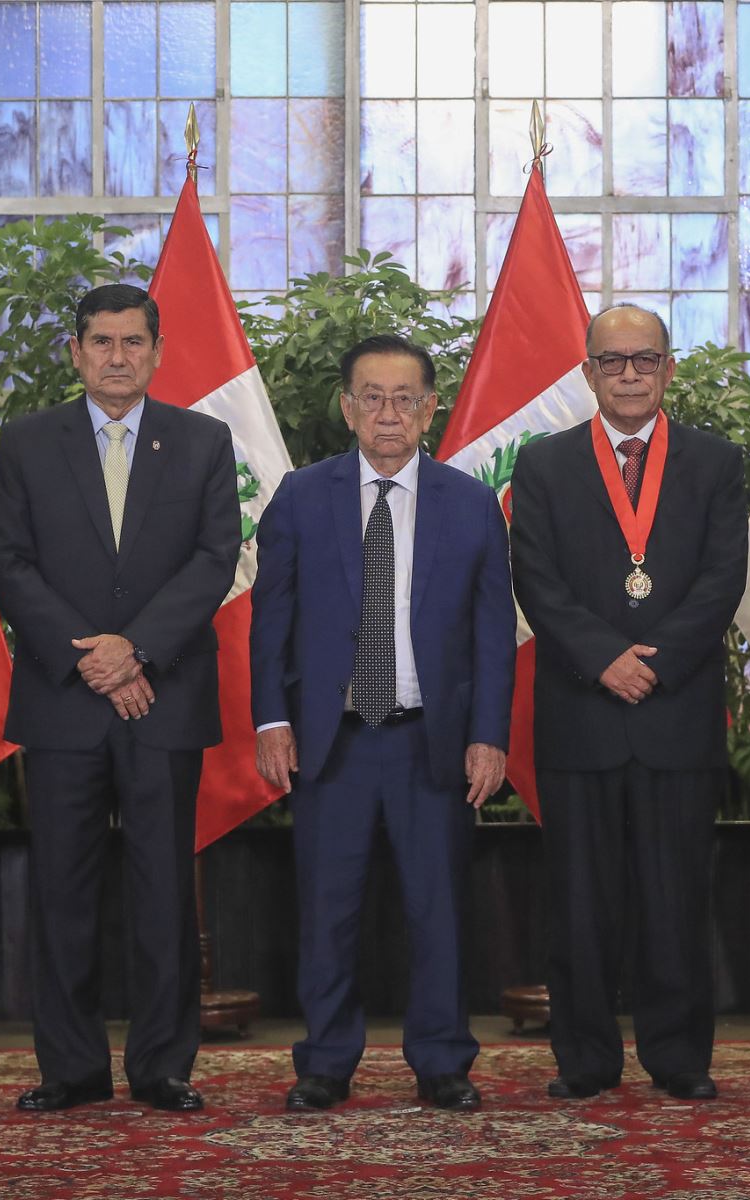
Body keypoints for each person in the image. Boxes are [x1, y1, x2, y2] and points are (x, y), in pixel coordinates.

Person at [0, 283, 241, 1112]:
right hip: (64, 700)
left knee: (164, 889)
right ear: (76, 352)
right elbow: (8, 560)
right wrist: (93, 657)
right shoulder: (28, 441)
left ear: (158, 352)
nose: (118, 357)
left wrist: (137, 652)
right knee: (62, 890)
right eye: (102, 341)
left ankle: (162, 1067)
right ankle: (71, 1069)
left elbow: (215, 557)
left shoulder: (203, 441)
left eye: (134, 342)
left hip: (164, 695)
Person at [249, 334, 514, 1113]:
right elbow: (271, 622)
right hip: (332, 743)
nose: (388, 413)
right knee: (327, 911)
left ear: (430, 410)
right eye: (372, 397)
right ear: (347, 407)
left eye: (405, 398)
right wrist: (271, 720)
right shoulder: (301, 496)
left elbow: (493, 632)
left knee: (439, 910)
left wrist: (489, 734)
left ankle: (443, 1062)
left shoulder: (470, 503)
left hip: (432, 740)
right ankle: (326, 1063)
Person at [509, 304, 747, 1102]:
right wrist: (603, 659)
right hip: (580, 713)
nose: (630, 374)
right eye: (612, 361)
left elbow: (723, 577)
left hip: (676, 713)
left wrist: (658, 662)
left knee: (676, 898)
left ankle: (679, 1057)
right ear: (588, 373)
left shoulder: (715, 462)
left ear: (669, 369)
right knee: (579, 902)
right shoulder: (543, 465)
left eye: (645, 359)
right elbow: (535, 578)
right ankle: (585, 1058)